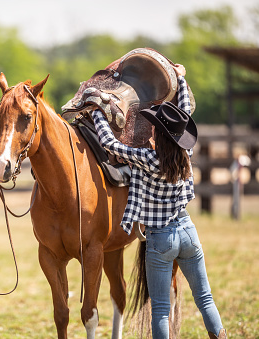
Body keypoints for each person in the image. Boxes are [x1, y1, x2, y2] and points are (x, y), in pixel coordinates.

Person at [90, 71, 226, 339]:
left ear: (158, 133)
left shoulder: (148, 159)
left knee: (161, 309)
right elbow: (184, 112)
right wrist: (181, 80)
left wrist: (97, 109)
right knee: (206, 298)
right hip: (187, 229)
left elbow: (110, 144)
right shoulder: (185, 153)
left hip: (160, 238)